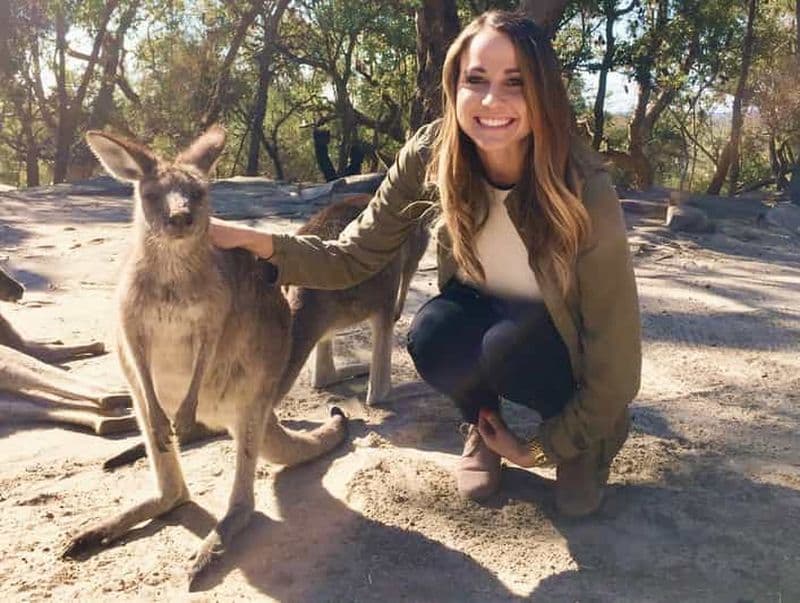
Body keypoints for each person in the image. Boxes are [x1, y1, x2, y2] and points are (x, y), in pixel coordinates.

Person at [209, 10, 641, 517]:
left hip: (557, 341)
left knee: (509, 351)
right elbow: (354, 255)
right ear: (454, 86)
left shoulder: (582, 186)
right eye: (474, 80)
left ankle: (582, 442)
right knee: (433, 334)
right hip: (486, 308)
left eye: (515, 83)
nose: (491, 100)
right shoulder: (431, 155)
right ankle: (483, 427)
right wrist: (261, 246)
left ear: (542, 93)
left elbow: (618, 359)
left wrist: (539, 450)